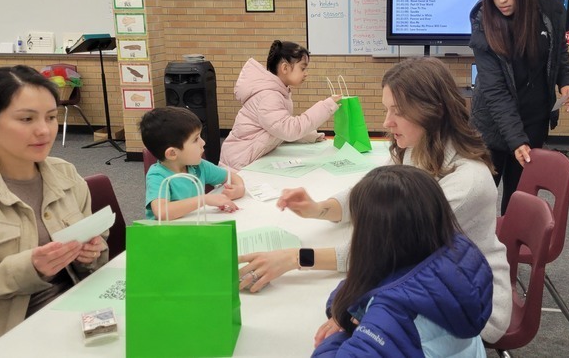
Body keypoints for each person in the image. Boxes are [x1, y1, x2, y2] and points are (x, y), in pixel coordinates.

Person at [239, 57, 512, 343]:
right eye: (386, 109)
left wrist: (295, 258)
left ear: (433, 111)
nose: (386, 122)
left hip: (472, 306)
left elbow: (385, 250)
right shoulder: (417, 147)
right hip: (428, 280)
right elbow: (370, 193)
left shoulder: (466, 182)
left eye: (399, 111)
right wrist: (319, 208)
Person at [0, 65, 108, 356]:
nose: (44, 130)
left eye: (52, 117)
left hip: (78, 315)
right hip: (9, 334)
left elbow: (96, 255)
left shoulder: (66, 175)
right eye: (27, 119)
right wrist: (28, 268)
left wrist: (90, 254)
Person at [312, 165, 493, 357]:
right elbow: (358, 286)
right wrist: (351, 308)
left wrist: (341, 335)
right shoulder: (456, 254)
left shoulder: (394, 312)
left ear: (373, 237)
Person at [469, 0, 569, 215]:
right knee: (480, 199)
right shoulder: (483, 20)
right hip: (493, 124)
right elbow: (495, 91)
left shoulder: (549, 6)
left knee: (519, 200)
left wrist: (567, 80)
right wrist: (517, 140)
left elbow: (559, 49)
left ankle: (509, 255)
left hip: (534, 119)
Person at [219, 40, 341, 170]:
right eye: (303, 68)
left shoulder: (277, 92)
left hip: (249, 160)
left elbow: (278, 128)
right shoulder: (269, 96)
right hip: (237, 167)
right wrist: (327, 106)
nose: (306, 73)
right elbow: (289, 129)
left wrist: (310, 136)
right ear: (284, 68)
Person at [140, 106, 245, 220]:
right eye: (195, 139)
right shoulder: (157, 176)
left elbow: (230, 176)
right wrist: (204, 199)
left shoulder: (198, 166)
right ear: (172, 153)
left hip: (194, 226)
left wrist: (239, 188)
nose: (203, 142)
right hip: (167, 234)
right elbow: (162, 212)